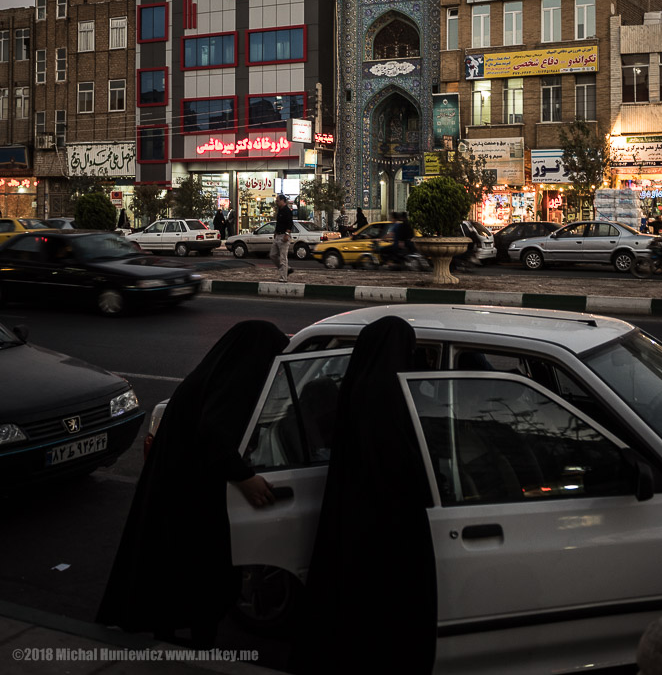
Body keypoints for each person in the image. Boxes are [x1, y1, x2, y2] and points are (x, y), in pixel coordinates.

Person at [97, 320, 289, 646]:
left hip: (177, 487)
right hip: (192, 493)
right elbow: (214, 433)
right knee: (201, 571)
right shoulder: (236, 380)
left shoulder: (211, 375)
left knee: (169, 567)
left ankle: (168, 633)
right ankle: (198, 639)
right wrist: (245, 477)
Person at [294, 317, 437, 675]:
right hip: (386, 524)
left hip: (355, 517)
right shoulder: (389, 395)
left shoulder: (360, 385)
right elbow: (402, 465)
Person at [269, 193, 294, 282]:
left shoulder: (287, 211)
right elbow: (278, 223)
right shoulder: (279, 210)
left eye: (278, 201)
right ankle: (286, 269)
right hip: (278, 235)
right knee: (273, 255)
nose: (277, 202)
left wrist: (287, 234)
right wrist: (276, 232)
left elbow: (290, 223)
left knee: (283, 257)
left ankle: (284, 277)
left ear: (283, 201)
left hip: (284, 235)